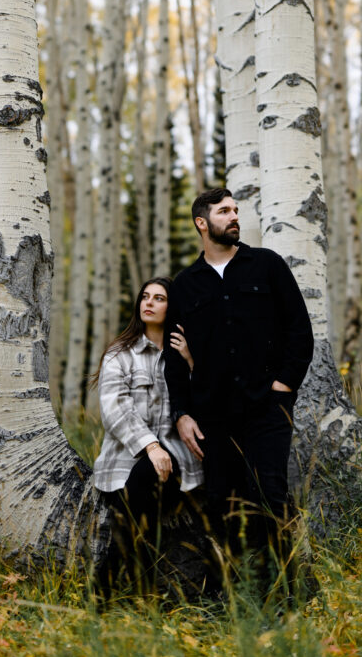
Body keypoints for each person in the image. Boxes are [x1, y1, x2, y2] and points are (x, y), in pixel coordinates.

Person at [163, 187, 314, 593]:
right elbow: (174, 360)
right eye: (224, 211)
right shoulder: (185, 286)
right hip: (213, 417)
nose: (234, 216)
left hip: (267, 410)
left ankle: (287, 595)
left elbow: (300, 331)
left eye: (235, 210)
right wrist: (182, 414)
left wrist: (283, 386)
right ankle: (226, 601)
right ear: (202, 223)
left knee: (270, 498)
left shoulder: (267, 266)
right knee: (221, 508)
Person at [92, 276, 202, 593]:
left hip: (179, 460)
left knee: (143, 488)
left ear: (173, 307)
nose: (149, 303)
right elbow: (114, 408)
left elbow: (205, 404)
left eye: (159, 298)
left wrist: (192, 363)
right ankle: (142, 595)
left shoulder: (184, 351)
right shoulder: (120, 354)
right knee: (143, 497)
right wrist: (151, 447)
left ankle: (102, 593)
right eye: (145, 296)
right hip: (126, 461)